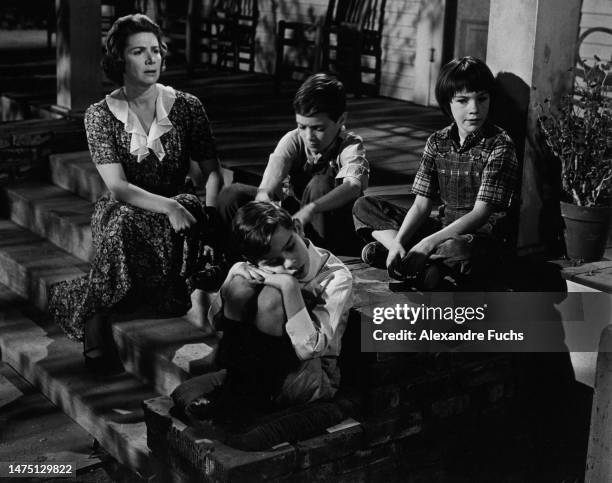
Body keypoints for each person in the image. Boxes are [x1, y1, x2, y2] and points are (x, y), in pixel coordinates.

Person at [48, 14, 224, 375]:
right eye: (138, 52)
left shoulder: (187, 106)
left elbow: (213, 172)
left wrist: (208, 216)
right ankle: (97, 319)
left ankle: (123, 299)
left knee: (181, 219)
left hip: (180, 202)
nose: (150, 59)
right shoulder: (99, 114)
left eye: (155, 51)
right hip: (127, 204)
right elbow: (118, 187)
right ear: (119, 60)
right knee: (122, 223)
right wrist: (169, 206)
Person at [171, 201, 353, 423]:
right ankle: (239, 392)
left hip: (308, 374)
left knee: (271, 297)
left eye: (290, 246)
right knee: (240, 285)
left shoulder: (336, 278)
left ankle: (242, 399)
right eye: (275, 261)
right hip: (258, 365)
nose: (290, 263)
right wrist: (231, 277)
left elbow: (311, 349)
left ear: (298, 228)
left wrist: (289, 286)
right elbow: (216, 322)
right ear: (254, 260)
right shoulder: (259, 261)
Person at [352, 56, 519, 289]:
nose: (474, 109)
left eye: (482, 99)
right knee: (364, 206)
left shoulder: (500, 144)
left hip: (480, 236)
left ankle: (406, 260)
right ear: (447, 103)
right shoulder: (437, 141)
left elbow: (481, 214)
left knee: (460, 251)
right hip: (441, 227)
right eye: (462, 101)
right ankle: (406, 256)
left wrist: (427, 244)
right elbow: (421, 206)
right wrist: (400, 240)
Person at [217, 73, 369, 255]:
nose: (308, 136)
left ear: (341, 120)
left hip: (332, 228)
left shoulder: (350, 144)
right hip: (297, 219)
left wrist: (312, 208)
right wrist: (266, 198)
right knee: (232, 194)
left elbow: (353, 185)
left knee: (320, 183)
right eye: (302, 126)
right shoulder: (294, 139)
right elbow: (267, 186)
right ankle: (228, 259)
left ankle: (314, 260)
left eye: (318, 129)